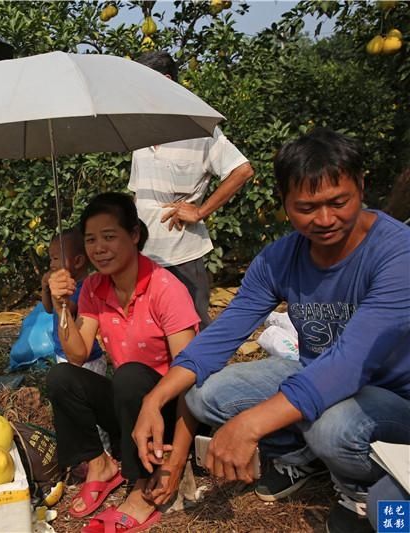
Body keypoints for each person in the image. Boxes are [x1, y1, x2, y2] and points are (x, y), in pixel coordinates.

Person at [133, 128, 410, 533]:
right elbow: (222, 334)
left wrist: (250, 425)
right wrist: (154, 399)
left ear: (361, 186)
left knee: (335, 430)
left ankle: (359, 487)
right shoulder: (281, 258)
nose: (326, 219)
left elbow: (350, 363)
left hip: (396, 397)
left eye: (339, 202)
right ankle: (309, 456)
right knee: (205, 393)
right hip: (319, 376)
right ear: (283, 202)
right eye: (307, 207)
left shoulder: (397, 253)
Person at [47, 192, 200, 533]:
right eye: (90, 240)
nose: (98, 248)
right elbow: (77, 354)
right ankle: (100, 465)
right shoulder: (93, 288)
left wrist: (176, 459)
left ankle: (142, 485)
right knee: (61, 377)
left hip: (169, 411)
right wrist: (62, 305)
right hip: (128, 407)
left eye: (109, 236)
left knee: (129, 376)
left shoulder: (165, 288)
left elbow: (191, 374)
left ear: (134, 235)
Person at [129, 51, 255, 329]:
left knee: (192, 327)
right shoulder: (140, 132)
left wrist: (200, 211)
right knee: (150, 329)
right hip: (143, 255)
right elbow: (138, 194)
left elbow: (242, 170)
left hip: (182, 253)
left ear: (166, 80)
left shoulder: (199, 131)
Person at [41, 228, 106, 376]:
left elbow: (69, 308)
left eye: (56, 258)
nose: (51, 264)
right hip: (62, 351)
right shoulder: (60, 289)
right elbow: (48, 309)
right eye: (51, 259)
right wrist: (45, 289)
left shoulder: (83, 288)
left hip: (88, 360)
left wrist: (58, 297)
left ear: (77, 261)